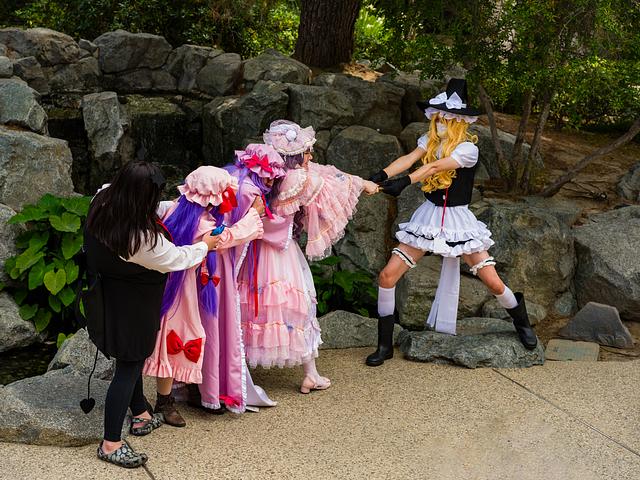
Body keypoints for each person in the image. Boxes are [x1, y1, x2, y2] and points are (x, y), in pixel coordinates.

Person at [365, 78, 538, 367]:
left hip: (458, 222)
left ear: (460, 120)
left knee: (493, 283)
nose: (441, 121)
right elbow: (409, 158)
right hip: (429, 218)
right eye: (439, 115)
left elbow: (434, 167)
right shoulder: (430, 141)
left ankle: (522, 322)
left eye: (448, 117)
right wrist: (381, 176)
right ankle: (384, 346)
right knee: (387, 276)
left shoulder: (468, 150)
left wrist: (404, 183)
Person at [83, 161, 221, 468]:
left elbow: (146, 205)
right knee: (129, 365)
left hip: (107, 295)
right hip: (134, 305)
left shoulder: (103, 198)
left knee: (129, 357)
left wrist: (181, 204)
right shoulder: (141, 239)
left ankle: (141, 414)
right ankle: (111, 443)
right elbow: (177, 258)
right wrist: (205, 245)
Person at [240, 120, 379, 393]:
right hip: (281, 251)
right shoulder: (298, 179)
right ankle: (310, 374)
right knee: (299, 306)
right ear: (294, 156)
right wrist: (362, 183)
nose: (311, 157)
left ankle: (242, 370)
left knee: (254, 305)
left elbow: (320, 170)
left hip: (256, 247)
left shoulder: (266, 173)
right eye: (306, 152)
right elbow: (333, 184)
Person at [142, 165, 268, 426]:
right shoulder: (202, 223)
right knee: (178, 339)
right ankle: (165, 401)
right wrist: (254, 215)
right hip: (185, 289)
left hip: (192, 284)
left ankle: (193, 389)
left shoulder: (179, 209)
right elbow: (227, 237)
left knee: (192, 335)